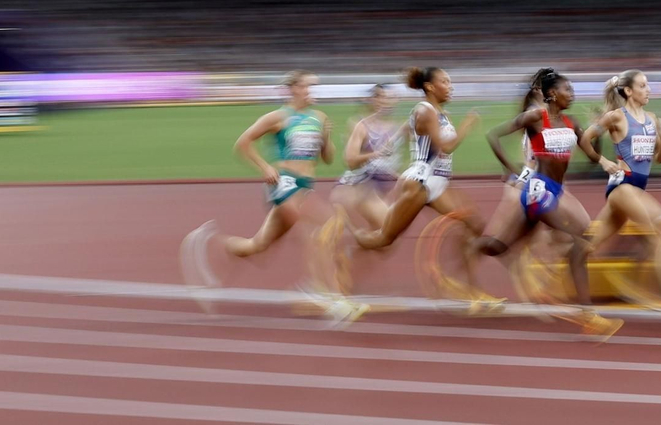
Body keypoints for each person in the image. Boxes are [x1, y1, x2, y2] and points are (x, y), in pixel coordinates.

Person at [181, 70, 359, 322]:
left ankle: (211, 242)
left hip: (305, 184)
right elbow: (243, 143)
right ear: (294, 89)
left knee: (259, 247)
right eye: (308, 87)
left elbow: (327, 158)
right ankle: (329, 296)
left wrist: (326, 135)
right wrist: (265, 167)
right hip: (284, 182)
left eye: (314, 87)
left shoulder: (319, 117)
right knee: (323, 225)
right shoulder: (278, 118)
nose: (312, 92)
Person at [475, 67, 620, 338]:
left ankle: (472, 245)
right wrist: (512, 168)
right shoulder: (535, 117)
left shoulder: (572, 123)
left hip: (554, 192)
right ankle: (589, 317)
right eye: (567, 89)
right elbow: (494, 135)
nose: (572, 93)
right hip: (536, 190)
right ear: (552, 94)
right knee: (579, 243)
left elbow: (591, 157)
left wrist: (598, 133)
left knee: (498, 246)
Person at [341, 67, 487, 291]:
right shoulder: (424, 111)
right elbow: (446, 147)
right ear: (430, 86)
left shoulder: (440, 114)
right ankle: (350, 247)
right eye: (445, 82)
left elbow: (408, 132)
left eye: (450, 82)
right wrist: (467, 124)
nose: (451, 86)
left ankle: (470, 287)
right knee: (384, 239)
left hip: (438, 182)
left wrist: (394, 142)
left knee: (474, 223)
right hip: (420, 183)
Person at [578, 70, 661, 254]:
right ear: (628, 91)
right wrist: (603, 161)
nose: (648, 90)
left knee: (591, 247)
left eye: (648, 85)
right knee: (657, 237)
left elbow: (659, 158)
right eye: (643, 86)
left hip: (637, 189)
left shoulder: (651, 119)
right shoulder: (616, 117)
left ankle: (570, 262)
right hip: (623, 186)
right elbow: (584, 140)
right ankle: (655, 282)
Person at [332, 83, 406, 231]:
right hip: (363, 185)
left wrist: (399, 176)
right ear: (372, 100)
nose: (385, 101)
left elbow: (392, 162)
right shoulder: (361, 126)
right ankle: (340, 239)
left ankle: (349, 247)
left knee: (381, 241)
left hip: (382, 186)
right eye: (381, 97)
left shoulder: (398, 126)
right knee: (389, 231)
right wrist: (376, 154)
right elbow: (350, 160)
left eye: (389, 98)